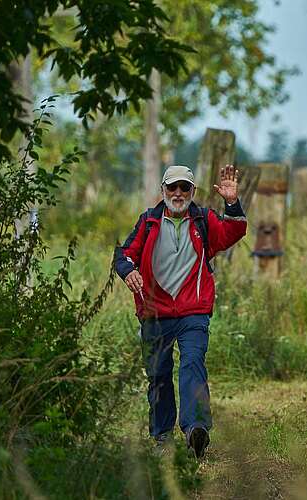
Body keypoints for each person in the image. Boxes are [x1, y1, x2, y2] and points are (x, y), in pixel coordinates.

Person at [113, 165, 247, 458]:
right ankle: (162, 436)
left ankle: (196, 429)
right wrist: (128, 272)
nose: (178, 194)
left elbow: (233, 233)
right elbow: (123, 254)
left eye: (184, 188)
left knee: (192, 364)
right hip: (154, 312)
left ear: (192, 192)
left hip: (192, 310)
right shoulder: (148, 221)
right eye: (172, 188)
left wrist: (232, 202)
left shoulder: (203, 219)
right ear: (163, 191)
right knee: (158, 374)